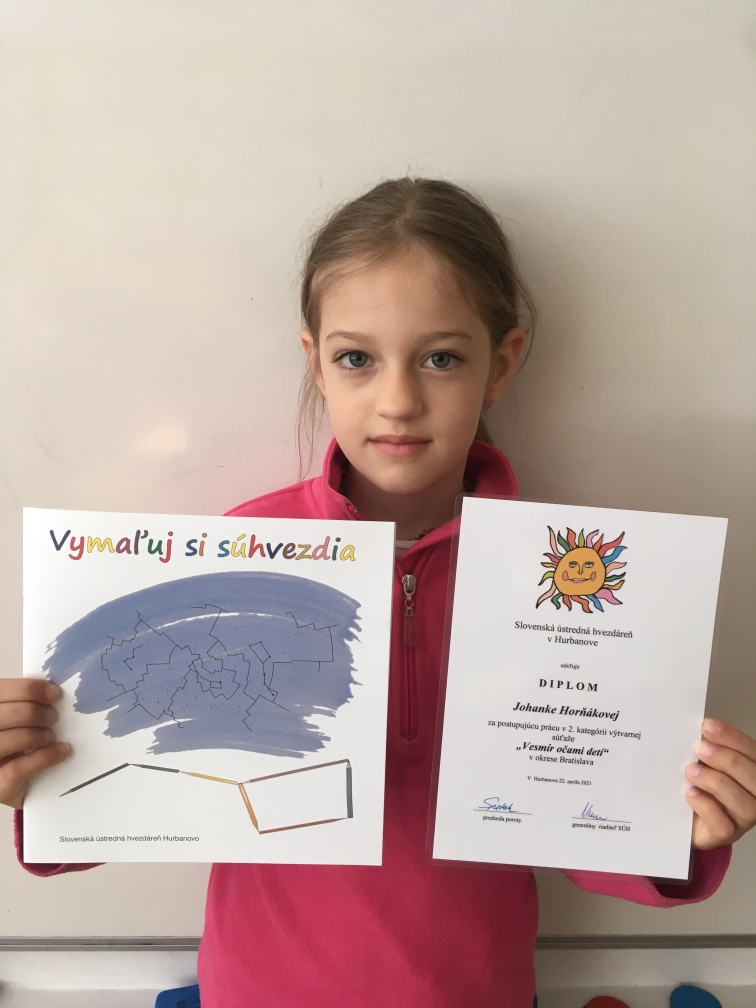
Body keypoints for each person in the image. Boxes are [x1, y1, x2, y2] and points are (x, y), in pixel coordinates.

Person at [2, 178, 756, 1008]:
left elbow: (583, 818)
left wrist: (680, 829)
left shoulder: (569, 581)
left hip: (474, 992)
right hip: (262, 990)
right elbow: (142, 788)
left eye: (441, 358)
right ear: (316, 362)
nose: (397, 401)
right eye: (357, 358)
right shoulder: (237, 558)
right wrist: (37, 767)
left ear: (501, 364)